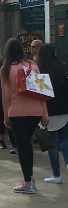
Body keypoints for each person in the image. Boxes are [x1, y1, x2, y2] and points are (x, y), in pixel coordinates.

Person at [1, 37, 49, 194]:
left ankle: (28, 181)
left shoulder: (7, 69)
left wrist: (6, 115)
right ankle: (30, 179)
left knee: (22, 146)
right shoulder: (33, 66)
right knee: (28, 144)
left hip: (17, 112)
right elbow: (42, 91)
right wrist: (44, 113)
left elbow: (6, 95)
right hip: (35, 111)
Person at [37, 43, 68, 184]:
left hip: (47, 110)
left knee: (52, 143)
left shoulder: (39, 70)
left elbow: (38, 93)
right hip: (65, 109)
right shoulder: (64, 66)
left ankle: (56, 175)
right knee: (65, 139)